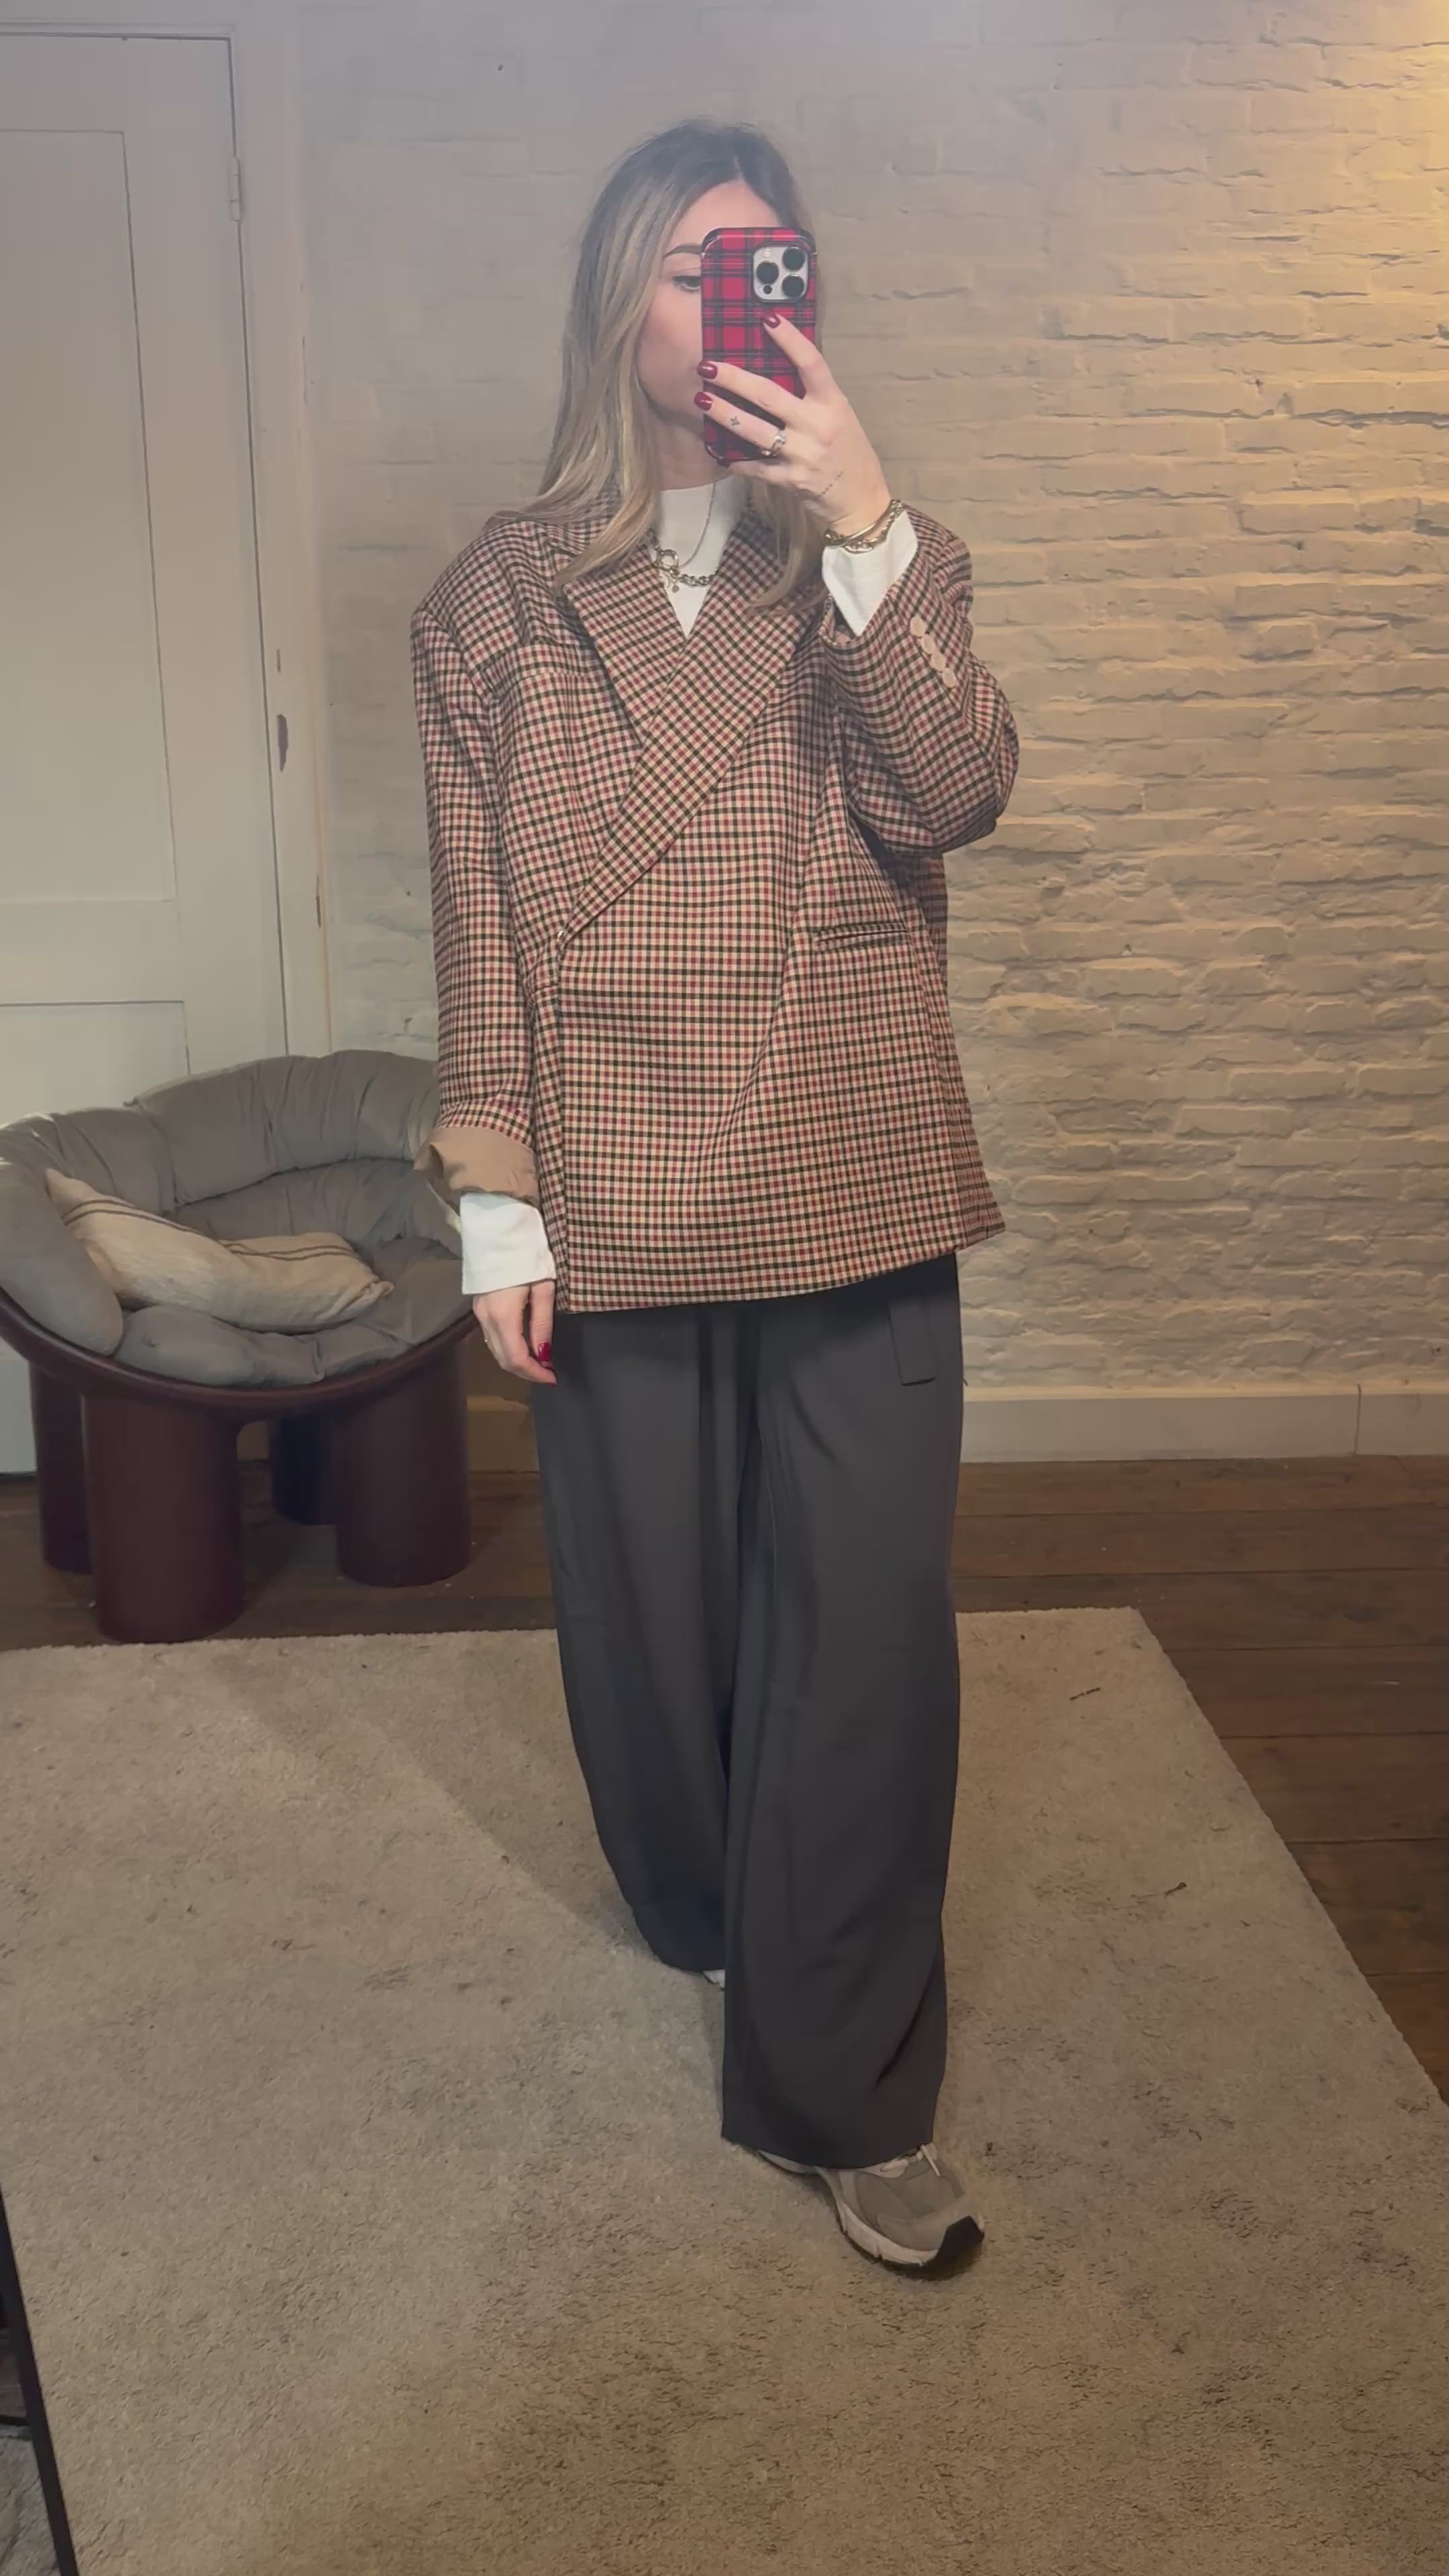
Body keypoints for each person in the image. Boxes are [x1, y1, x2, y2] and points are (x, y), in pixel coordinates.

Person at [409, 119, 1018, 2272]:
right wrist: (497, 1203)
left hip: (852, 1153)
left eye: (772, 265)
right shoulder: (493, 598)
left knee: (864, 1637)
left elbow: (957, 794)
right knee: (652, 1635)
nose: (741, 301)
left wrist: (865, 528)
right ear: (620, 307)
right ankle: (702, 1898)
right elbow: (484, 923)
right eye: (694, 267)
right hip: (616, 1172)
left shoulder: (884, 554)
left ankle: (846, 2087)